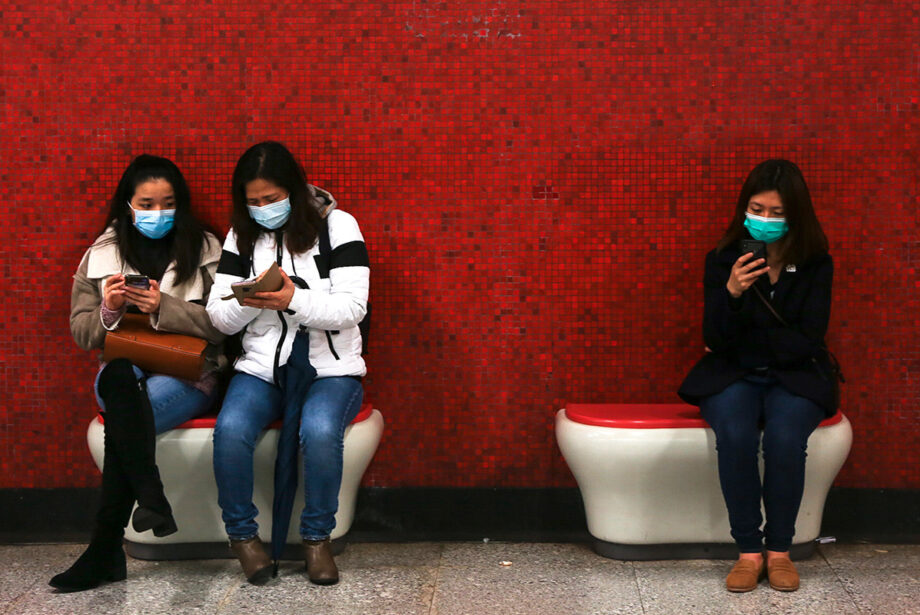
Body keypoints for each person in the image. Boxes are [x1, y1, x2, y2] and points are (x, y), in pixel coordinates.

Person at [50, 155, 225, 592]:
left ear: (180, 204)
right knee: (119, 381)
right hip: (123, 367)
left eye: (167, 203)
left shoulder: (206, 248)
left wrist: (165, 308)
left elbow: (227, 325)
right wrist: (109, 309)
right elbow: (81, 332)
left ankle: (107, 547)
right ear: (128, 205)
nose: (157, 213)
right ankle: (149, 499)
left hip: (188, 373)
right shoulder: (102, 253)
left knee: (123, 419)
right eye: (146, 204)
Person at [207, 141, 369, 586]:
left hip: (331, 369)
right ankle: (243, 538)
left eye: (272, 198)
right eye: (254, 201)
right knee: (231, 431)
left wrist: (293, 298)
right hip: (262, 366)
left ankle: (317, 539)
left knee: (318, 432)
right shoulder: (241, 235)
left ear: (294, 191)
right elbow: (217, 315)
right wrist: (250, 301)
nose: (263, 209)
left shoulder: (338, 226)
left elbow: (353, 307)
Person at [678, 159, 837, 593]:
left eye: (776, 212)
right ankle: (749, 551)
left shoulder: (815, 263)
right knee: (736, 435)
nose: (764, 220)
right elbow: (713, 336)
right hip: (733, 376)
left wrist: (744, 341)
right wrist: (731, 293)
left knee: (786, 440)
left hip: (795, 376)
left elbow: (809, 337)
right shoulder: (723, 260)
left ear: (796, 215)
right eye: (757, 209)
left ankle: (779, 551)